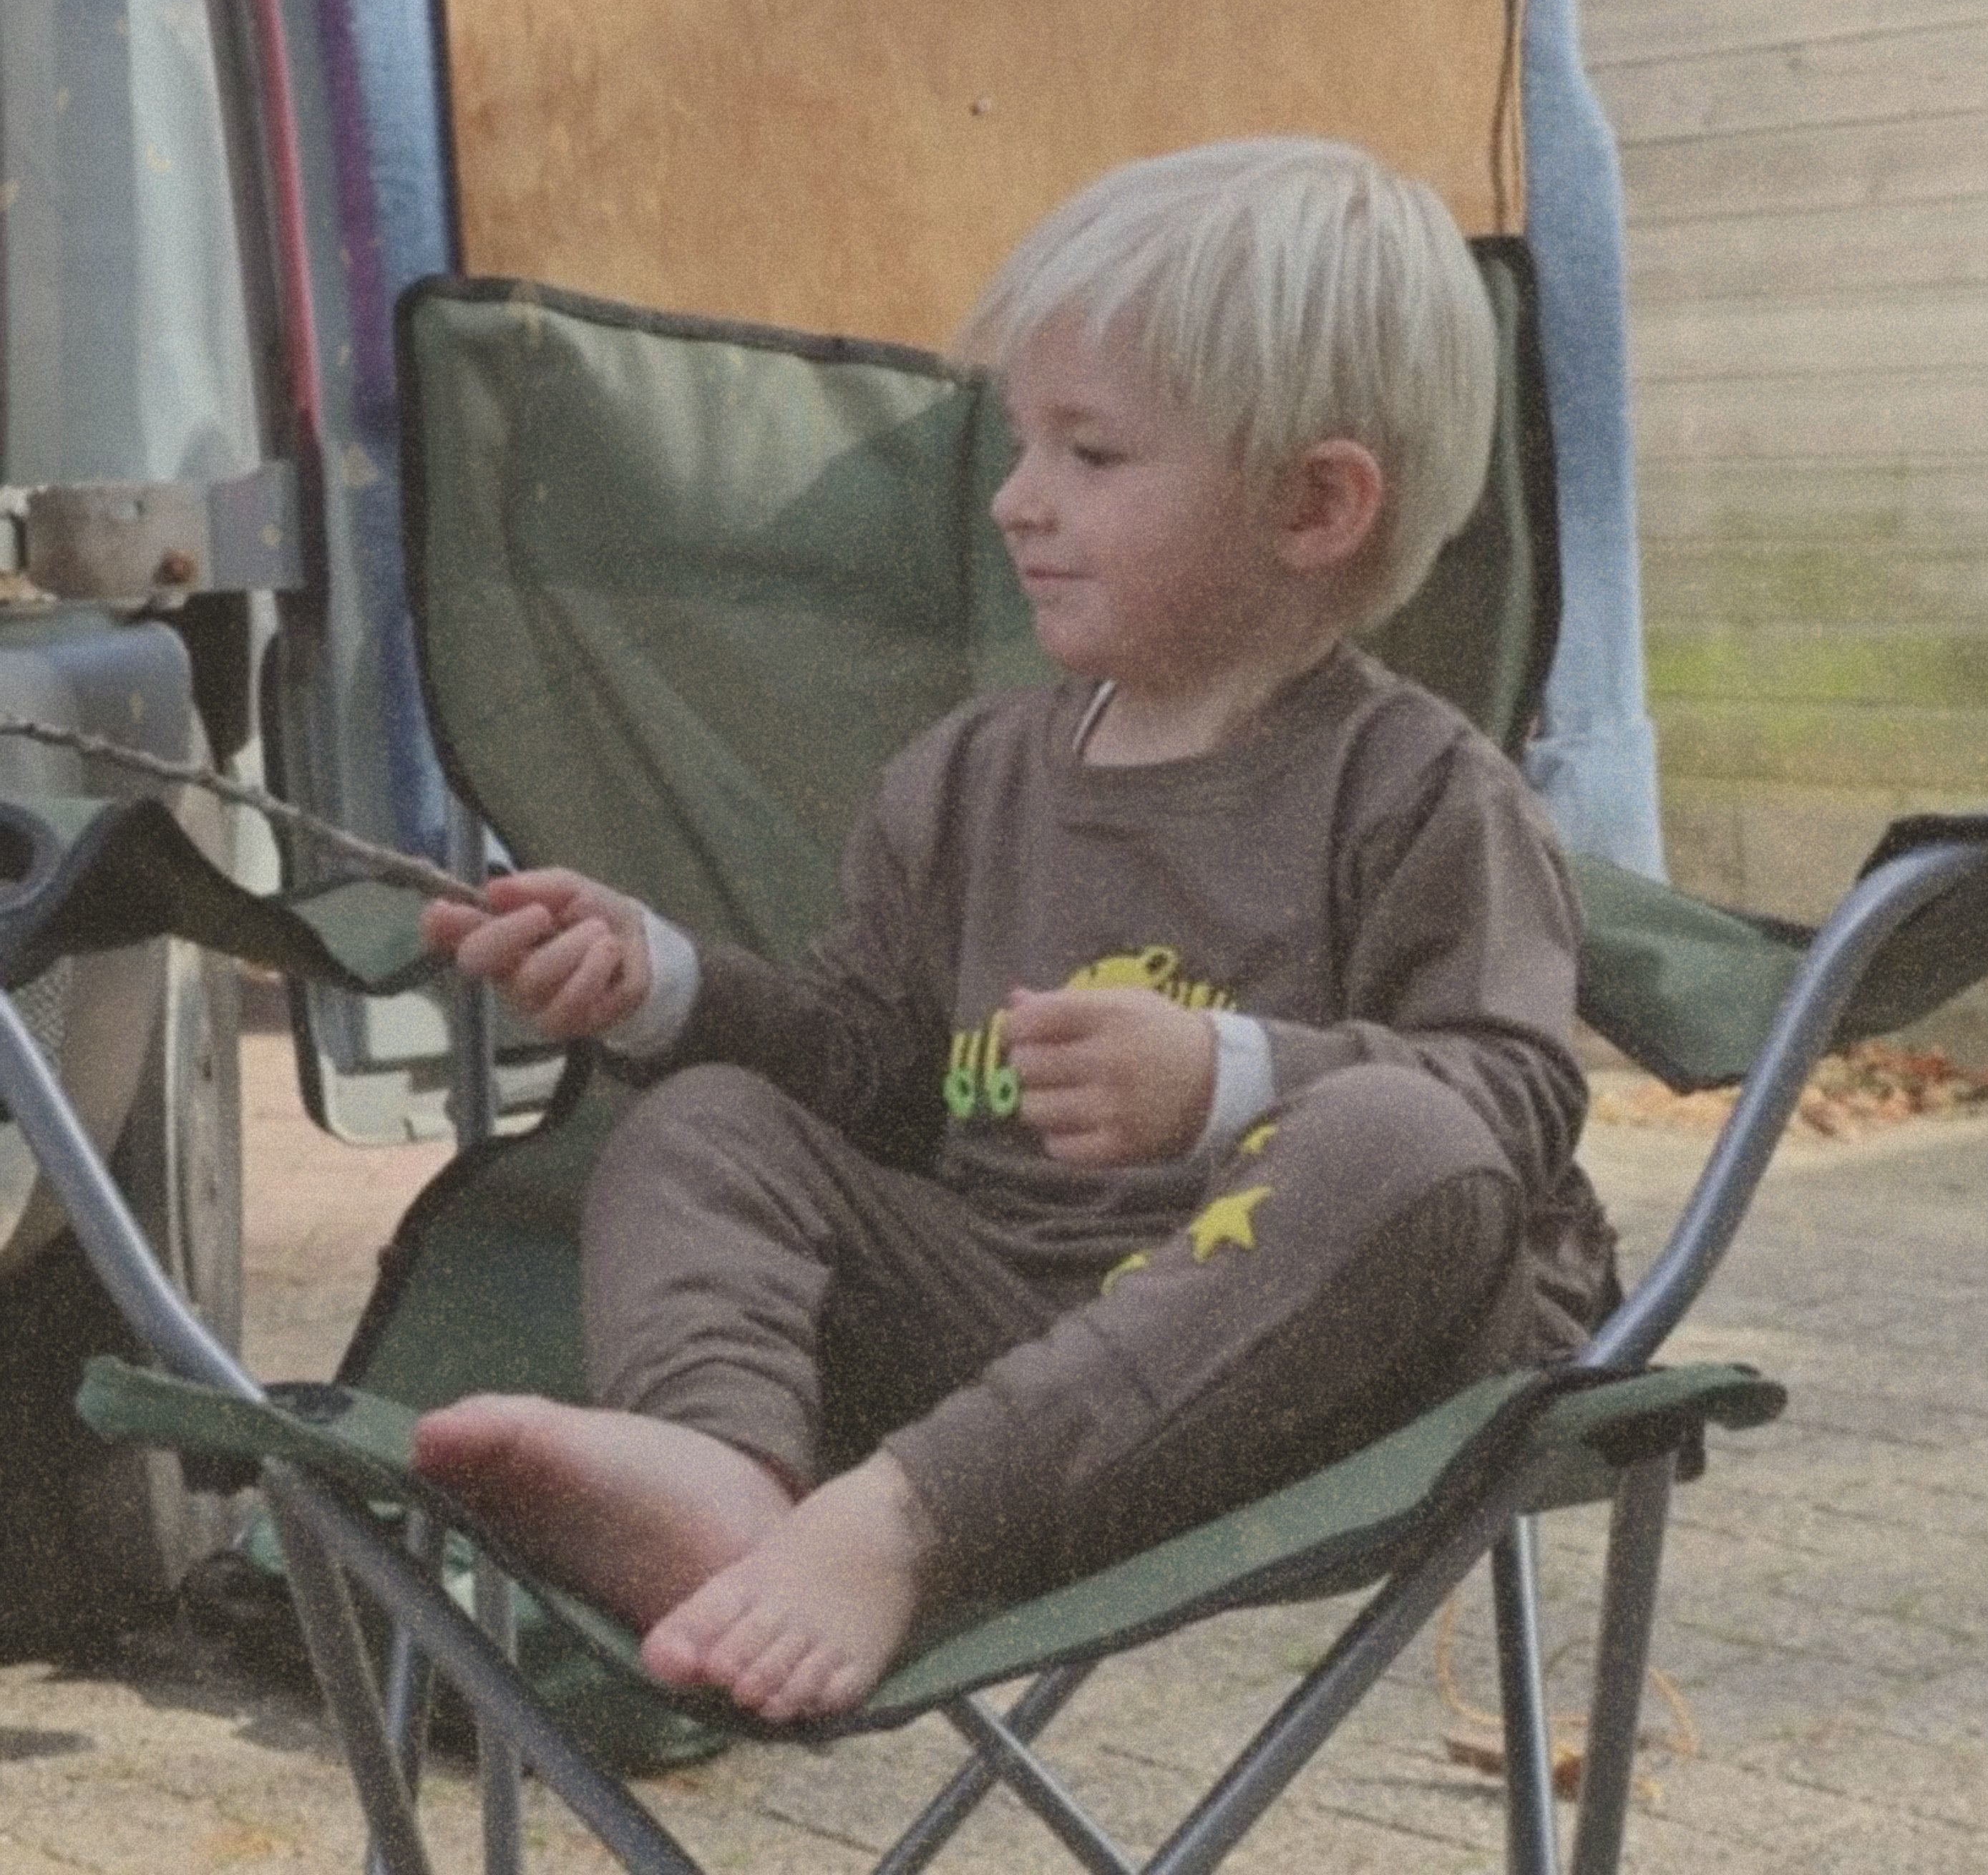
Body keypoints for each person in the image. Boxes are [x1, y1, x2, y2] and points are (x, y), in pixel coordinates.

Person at [412, 137, 1618, 1726]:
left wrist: (1231, 1079)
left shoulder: (1418, 791)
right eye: (1020, 441)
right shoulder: (966, 780)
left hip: (1301, 1360)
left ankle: (900, 1524)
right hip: (1002, 1325)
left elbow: (1516, 1102)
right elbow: (876, 1075)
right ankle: (722, 1472)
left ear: (1315, 504)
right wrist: (667, 985)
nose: (1015, 499)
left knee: (1405, 1137)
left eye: (1091, 454)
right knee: (711, 1122)